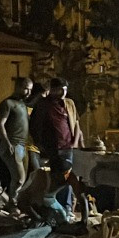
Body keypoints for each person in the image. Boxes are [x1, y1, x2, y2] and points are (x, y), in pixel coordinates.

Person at [31, 78, 82, 212]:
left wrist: (75, 143)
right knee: (57, 178)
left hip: (68, 147)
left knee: (68, 177)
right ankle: (57, 207)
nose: (62, 93)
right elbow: (35, 125)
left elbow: (76, 124)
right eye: (59, 89)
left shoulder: (69, 103)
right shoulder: (43, 105)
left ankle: (67, 207)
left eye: (64, 90)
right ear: (52, 90)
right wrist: (39, 144)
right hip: (52, 147)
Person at [0, 77, 34, 202]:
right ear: (17, 87)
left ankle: (16, 203)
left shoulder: (23, 104)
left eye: (30, 90)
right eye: (26, 88)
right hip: (13, 145)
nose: (28, 92)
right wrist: (7, 143)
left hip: (22, 146)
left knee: (23, 178)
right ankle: (12, 204)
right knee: (19, 178)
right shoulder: (7, 104)